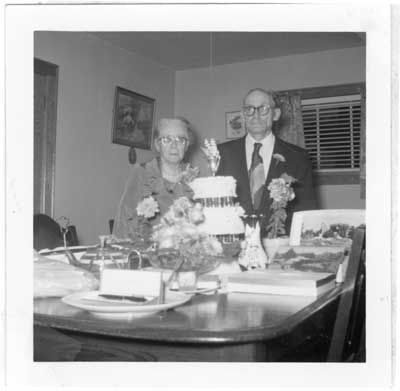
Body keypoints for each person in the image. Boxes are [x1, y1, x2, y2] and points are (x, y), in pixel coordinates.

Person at [217, 88, 316, 234]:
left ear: (275, 114)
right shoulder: (221, 153)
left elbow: (306, 210)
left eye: (263, 109)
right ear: (243, 115)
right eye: (249, 109)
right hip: (234, 244)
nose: (255, 115)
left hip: (280, 244)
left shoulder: (298, 157)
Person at [113, 117, 198, 239]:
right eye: (166, 139)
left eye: (180, 139)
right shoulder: (141, 174)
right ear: (157, 145)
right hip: (147, 252)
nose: (174, 145)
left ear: (187, 145)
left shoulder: (194, 178)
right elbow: (123, 224)